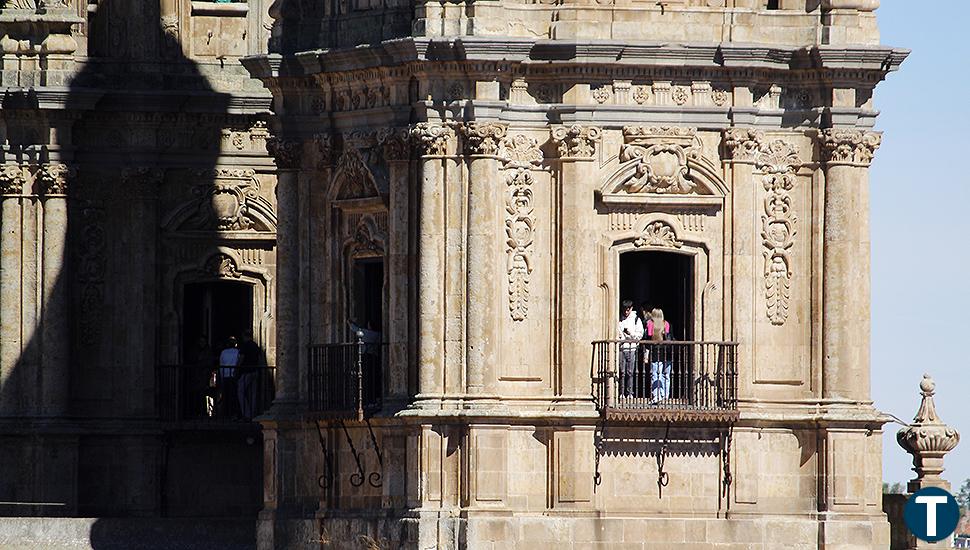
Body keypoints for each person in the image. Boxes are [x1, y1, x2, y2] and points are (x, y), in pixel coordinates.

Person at [617, 300, 643, 399]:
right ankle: (621, 392)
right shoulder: (619, 319)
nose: (626, 312)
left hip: (631, 348)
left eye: (628, 310)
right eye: (624, 310)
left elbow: (639, 336)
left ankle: (630, 392)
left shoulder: (636, 319)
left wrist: (629, 334)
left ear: (631, 308)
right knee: (622, 371)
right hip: (621, 348)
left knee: (630, 372)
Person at [237, 329, 264, 421]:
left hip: (247, 372)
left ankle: (247, 414)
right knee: (252, 394)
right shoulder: (255, 346)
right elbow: (260, 358)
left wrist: (236, 368)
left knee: (240, 392)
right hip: (255, 371)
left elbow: (241, 358)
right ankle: (252, 414)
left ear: (244, 336)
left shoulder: (245, 346)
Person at [646, 308, 672, 403]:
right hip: (667, 352)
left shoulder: (650, 324)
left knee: (656, 374)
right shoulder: (666, 324)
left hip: (655, 351)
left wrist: (646, 353)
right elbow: (669, 337)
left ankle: (656, 395)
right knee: (666, 375)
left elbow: (648, 337)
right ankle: (665, 395)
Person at [218, 336, 242, 419]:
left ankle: (226, 414)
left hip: (225, 376)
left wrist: (221, 377)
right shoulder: (238, 352)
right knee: (234, 396)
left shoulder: (223, 352)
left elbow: (221, 365)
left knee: (226, 396)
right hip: (234, 376)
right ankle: (234, 414)